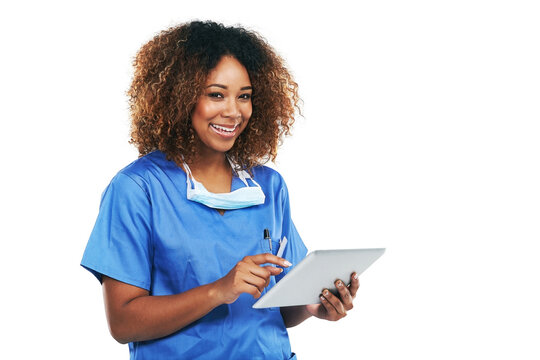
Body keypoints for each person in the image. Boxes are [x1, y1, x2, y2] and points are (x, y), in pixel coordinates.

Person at [81, 20, 359, 359]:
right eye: (216, 94)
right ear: (180, 98)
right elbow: (123, 322)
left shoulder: (269, 187)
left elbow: (279, 309)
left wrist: (315, 307)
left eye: (244, 96)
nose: (233, 111)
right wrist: (219, 290)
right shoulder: (138, 188)